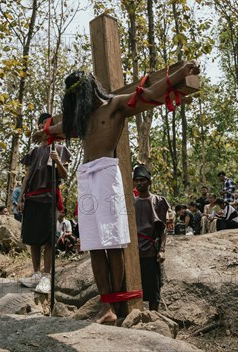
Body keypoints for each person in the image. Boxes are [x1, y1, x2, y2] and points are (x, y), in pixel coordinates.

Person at [33, 61, 200, 323]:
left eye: (77, 96)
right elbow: (58, 128)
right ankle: (105, 306)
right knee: (94, 246)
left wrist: (181, 73)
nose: (76, 103)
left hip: (107, 176)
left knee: (112, 243)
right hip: (86, 177)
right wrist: (43, 132)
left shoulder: (115, 105)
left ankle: (114, 304)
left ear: (88, 90)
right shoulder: (81, 118)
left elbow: (150, 93)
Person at [19, 113, 71, 294]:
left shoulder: (59, 148)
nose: (42, 128)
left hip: (49, 197)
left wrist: (57, 161)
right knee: (32, 238)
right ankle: (36, 272)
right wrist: (20, 197)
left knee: (48, 238)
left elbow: (64, 175)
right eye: (40, 125)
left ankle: (47, 276)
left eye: (46, 125)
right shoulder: (34, 152)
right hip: (32, 197)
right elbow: (27, 176)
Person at [133, 165, 169, 311]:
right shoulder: (132, 202)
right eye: (137, 181)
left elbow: (163, 228)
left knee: (153, 286)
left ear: (149, 182)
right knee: (135, 285)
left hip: (150, 249)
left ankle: (154, 315)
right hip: (134, 250)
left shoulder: (158, 201)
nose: (139, 183)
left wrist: (162, 250)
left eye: (142, 180)